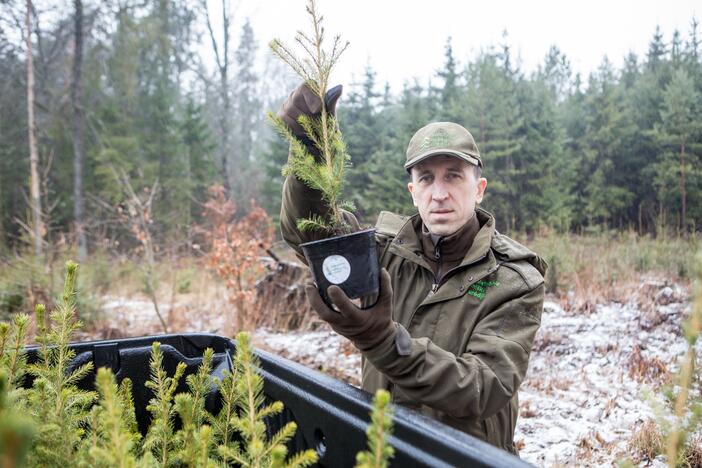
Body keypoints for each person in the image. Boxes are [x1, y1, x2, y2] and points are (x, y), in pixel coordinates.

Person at [278, 83, 546, 454]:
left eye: (453, 175)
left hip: (464, 461)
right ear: (412, 191)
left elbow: (483, 388)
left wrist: (385, 342)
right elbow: (311, 235)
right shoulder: (381, 253)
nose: (439, 193)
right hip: (381, 453)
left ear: (479, 188)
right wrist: (309, 153)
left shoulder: (513, 280)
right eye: (426, 178)